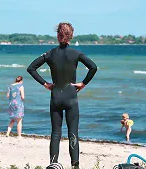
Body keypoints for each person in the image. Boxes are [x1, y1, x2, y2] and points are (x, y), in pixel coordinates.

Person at [27, 22, 97, 168]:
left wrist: (45, 84)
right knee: (73, 133)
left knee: (55, 133)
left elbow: (31, 68)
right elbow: (93, 67)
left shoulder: (50, 54)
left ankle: (53, 164)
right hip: (71, 97)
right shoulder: (76, 54)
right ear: (71, 36)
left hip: (56, 96)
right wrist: (83, 84)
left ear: (58, 35)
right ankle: (75, 166)